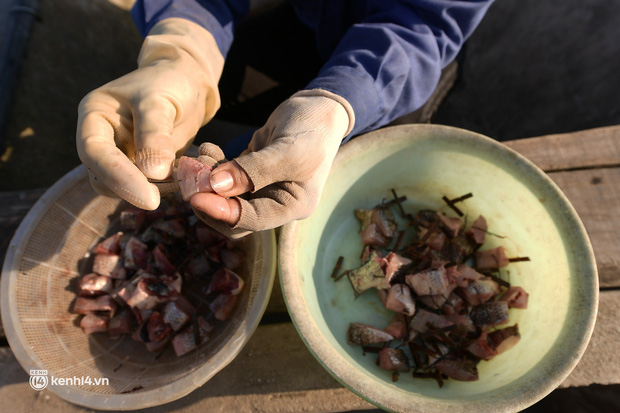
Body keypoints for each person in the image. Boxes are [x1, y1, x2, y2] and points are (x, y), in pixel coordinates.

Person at [76, 0, 494, 238]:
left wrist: (340, 104)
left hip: (400, 57)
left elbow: (423, 19)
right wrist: (183, 50)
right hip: (306, 16)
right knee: (230, 130)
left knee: (295, 180)